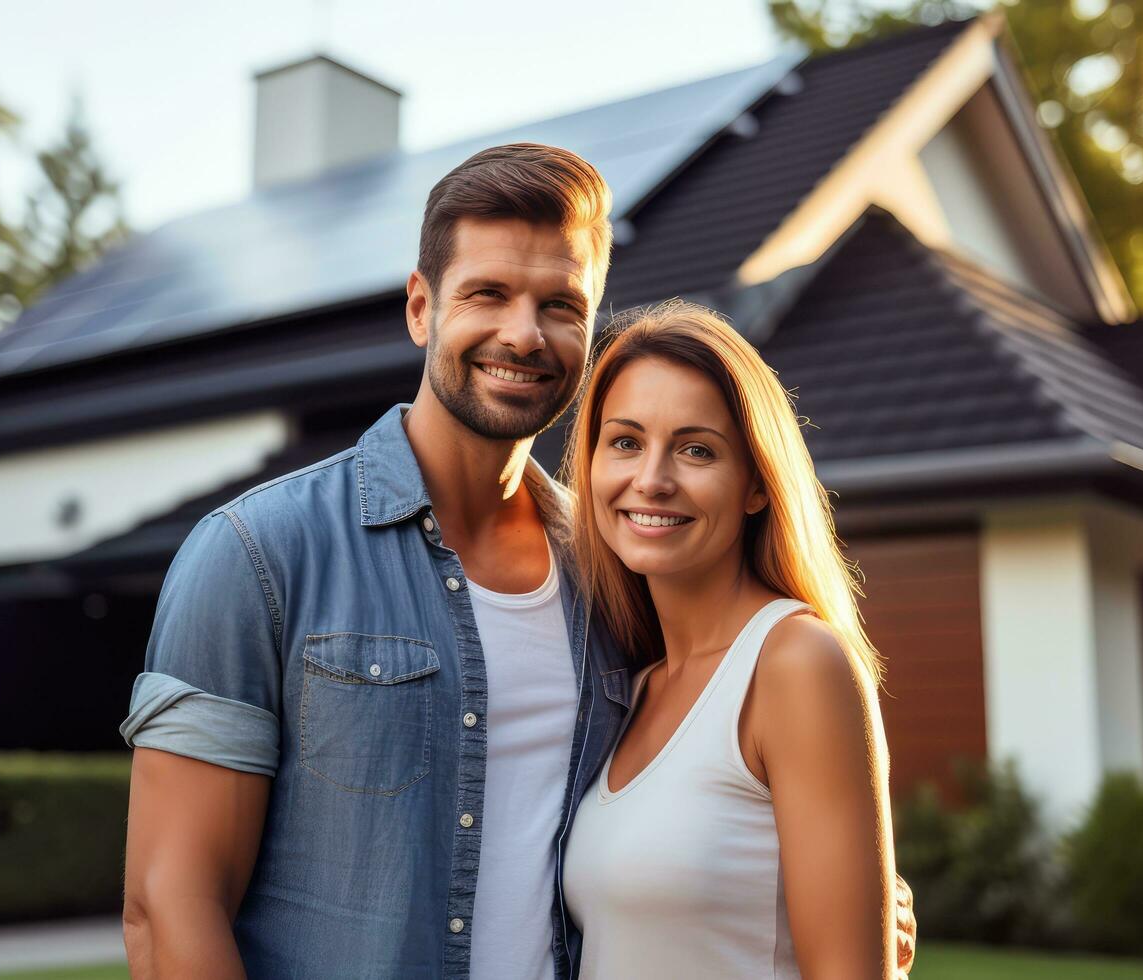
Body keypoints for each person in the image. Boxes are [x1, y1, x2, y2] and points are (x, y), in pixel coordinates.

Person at [119, 142, 916, 978]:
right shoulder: (260, 556)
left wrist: (858, 907)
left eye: (560, 304)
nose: (523, 334)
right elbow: (168, 908)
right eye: (488, 294)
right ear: (422, 308)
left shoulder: (618, 583)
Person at [561, 301, 900, 978]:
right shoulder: (628, 682)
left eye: (696, 450)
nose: (651, 480)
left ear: (754, 484)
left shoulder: (796, 663)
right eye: (625, 441)